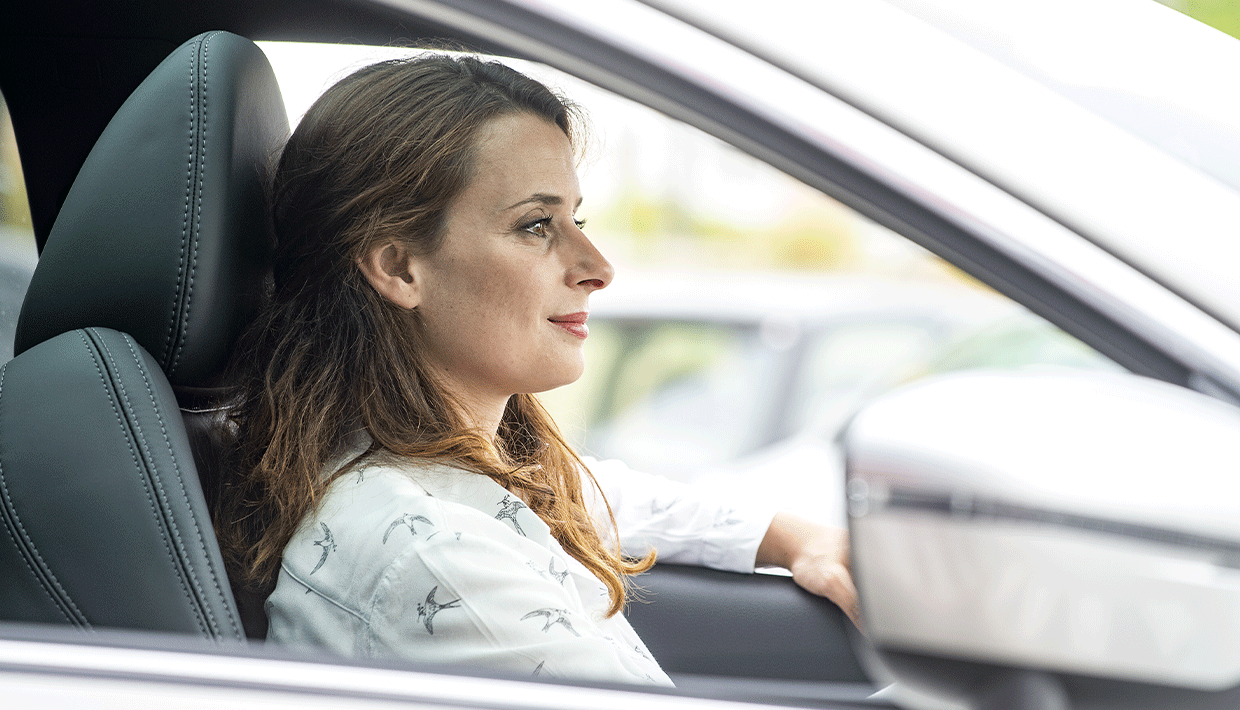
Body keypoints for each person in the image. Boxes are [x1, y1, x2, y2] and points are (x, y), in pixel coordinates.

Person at [215, 53, 858, 686]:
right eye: (535, 225)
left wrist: (789, 536)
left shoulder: (420, 474)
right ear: (399, 268)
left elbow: (587, 495)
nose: (598, 267)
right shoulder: (433, 556)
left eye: (575, 218)